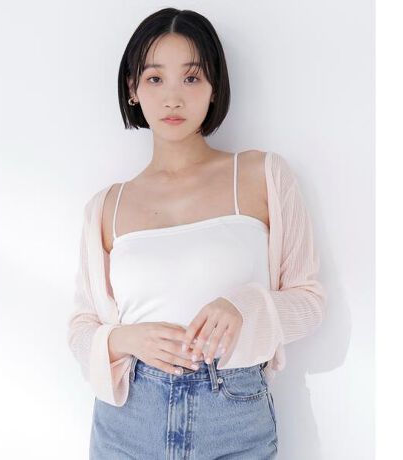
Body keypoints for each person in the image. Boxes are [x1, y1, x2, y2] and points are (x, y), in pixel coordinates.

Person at [67, 7, 326, 459]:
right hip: (129, 421)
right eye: (155, 78)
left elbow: (309, 302)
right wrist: (125, 339)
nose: (173, 98)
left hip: (233, 416)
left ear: (214, 87)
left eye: (191, 78)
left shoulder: (261, 175)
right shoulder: (106, 207)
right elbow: (81, 327)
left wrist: (245, 307)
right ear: (132, 89)